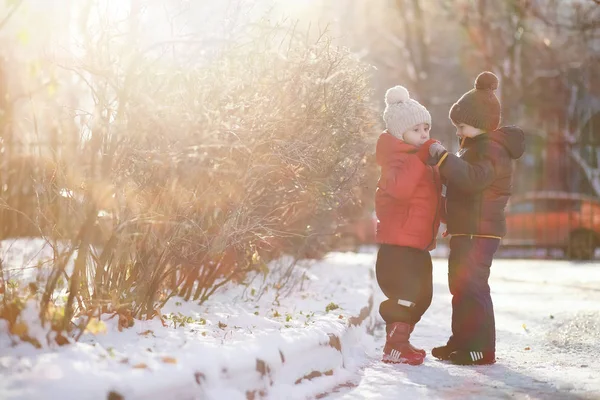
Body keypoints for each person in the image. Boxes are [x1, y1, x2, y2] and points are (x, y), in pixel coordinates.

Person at [419, 71, 525, 365]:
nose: (458, 131)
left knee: (474, 288)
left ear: (479, 124)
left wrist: (443, 159)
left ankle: (481, 348)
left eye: (462, 125)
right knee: (460, 287)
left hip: (481, 233)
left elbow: (474, 180)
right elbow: (463, 190)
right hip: (467, 230)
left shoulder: (493, 151)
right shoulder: (475, 149)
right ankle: (462, 341)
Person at [375, 85, 442, 365]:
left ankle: (400, 339)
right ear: (398, 132)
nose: (424, 134)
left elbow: (432, 198)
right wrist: (422, 159)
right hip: (398, 247)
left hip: (417, 245)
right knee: (406, 295)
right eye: (416, 129)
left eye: (426, 128)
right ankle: (395, 345)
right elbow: (401, 189)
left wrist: (445, 220)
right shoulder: (394, 160)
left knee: (423, 296)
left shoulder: (419, 160)